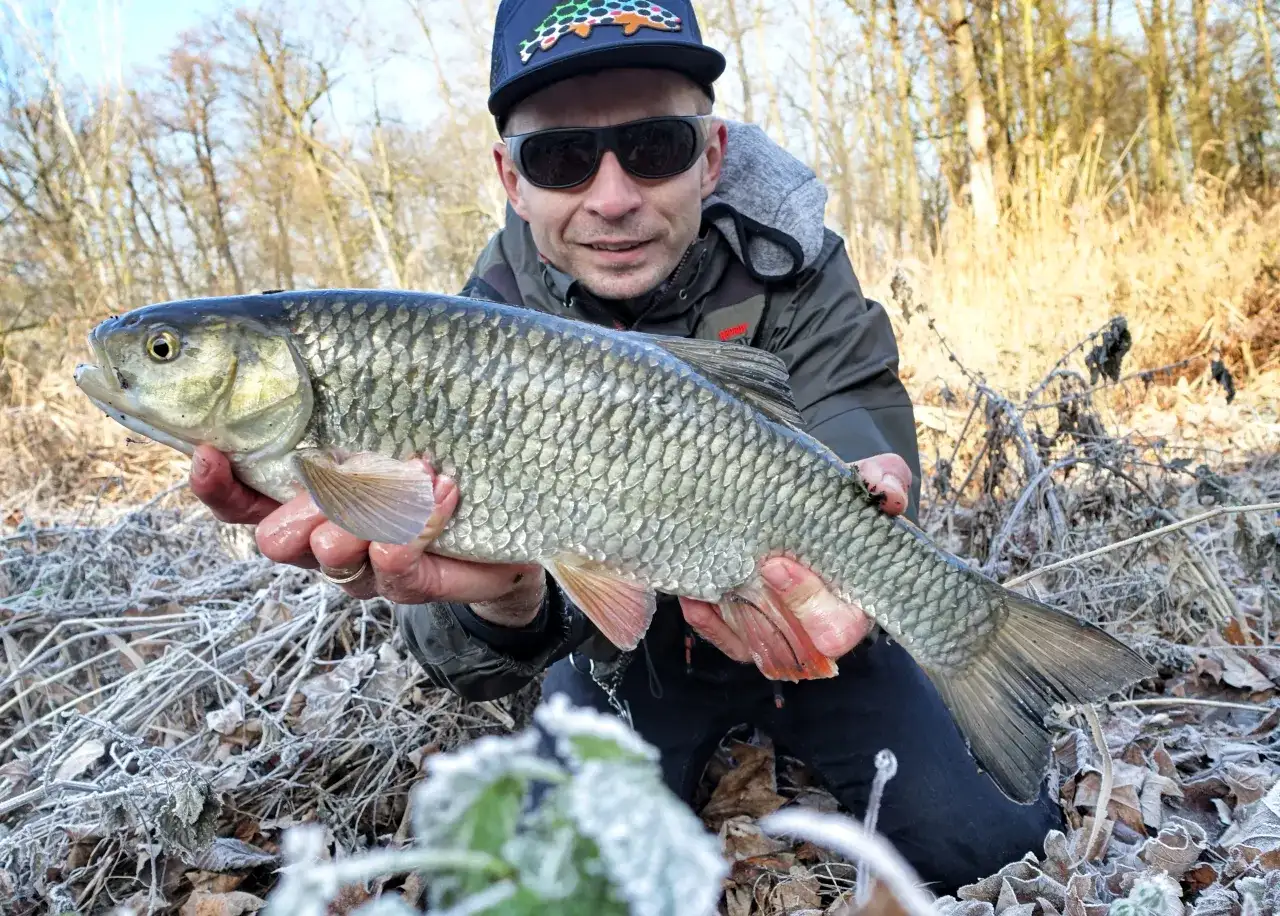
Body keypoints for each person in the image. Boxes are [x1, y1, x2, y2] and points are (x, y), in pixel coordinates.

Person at [189, 0, 1064, 895]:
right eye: (561, 158)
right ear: (510, 176)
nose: (612, 197)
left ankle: (980, 647)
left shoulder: (795, 261)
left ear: (712, 153)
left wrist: (866, 503)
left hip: (818, 614)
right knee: (556, 881)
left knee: (990, 839)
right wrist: (508, 603)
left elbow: (852, 410)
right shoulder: (461, 332)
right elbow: (459, 639)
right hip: (622, 657)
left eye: (655, 148)